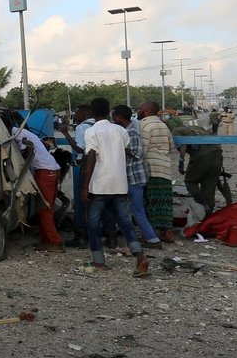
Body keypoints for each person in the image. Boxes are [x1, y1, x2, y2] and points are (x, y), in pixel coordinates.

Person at [80, 98, 150, 277]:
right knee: (125, 223)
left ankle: (99, 261)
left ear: (92, 112)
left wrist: (85, 187)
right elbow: (126, 152)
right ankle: (140, 256)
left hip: (100, 185)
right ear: (109, 111)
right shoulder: (120, 130)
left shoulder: (91, 131)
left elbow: (92, 158)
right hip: (120, 184)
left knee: (93, 223)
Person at [111, 105, 162, 249]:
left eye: (114, 116)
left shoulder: (132, 132)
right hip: (131, 176)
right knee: (132, 209)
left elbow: (136, 152)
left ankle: (153, 239)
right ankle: (142, 237)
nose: (113, 119)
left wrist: (116, 147)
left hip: (134, 177)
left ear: (120, 117)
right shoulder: (127, 130)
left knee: (137, 210)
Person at [11, 121, 64, 252]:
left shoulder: (16, 134)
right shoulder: (24, 132)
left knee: (44, 208)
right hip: (52, 169)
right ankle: (47, 240)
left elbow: (26, 152)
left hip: (45, 171)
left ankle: (55, 242)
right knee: (46, 208)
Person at [137, 101, 177, 243]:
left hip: (151, 168)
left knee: (151, 202)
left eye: (140, 108)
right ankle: (168, 232)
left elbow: (142, 149)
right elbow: (172, 146)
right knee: (165, 202)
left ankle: (151, 234)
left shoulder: (144, 125)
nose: (138, 110)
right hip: (165, 168)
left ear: (147, 110)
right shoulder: (162, 125)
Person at [59, 105, 94, 246]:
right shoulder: (97, 125)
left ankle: (81, 236)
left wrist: (66, 134)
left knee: (81, 202)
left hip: (83, 165)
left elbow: (80, 148)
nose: (76, 116)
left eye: (78, 113)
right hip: (98, 167)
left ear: (86, 113)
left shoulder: (82, 127)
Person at [173, 123, 224, 216]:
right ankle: (209, 212)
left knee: (190, 182)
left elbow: (183, 146)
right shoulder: (198, 127)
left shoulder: (175, 131)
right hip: (217, 153)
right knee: (209, 184)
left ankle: (203, 203)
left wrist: (181, 164)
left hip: (202, 156)